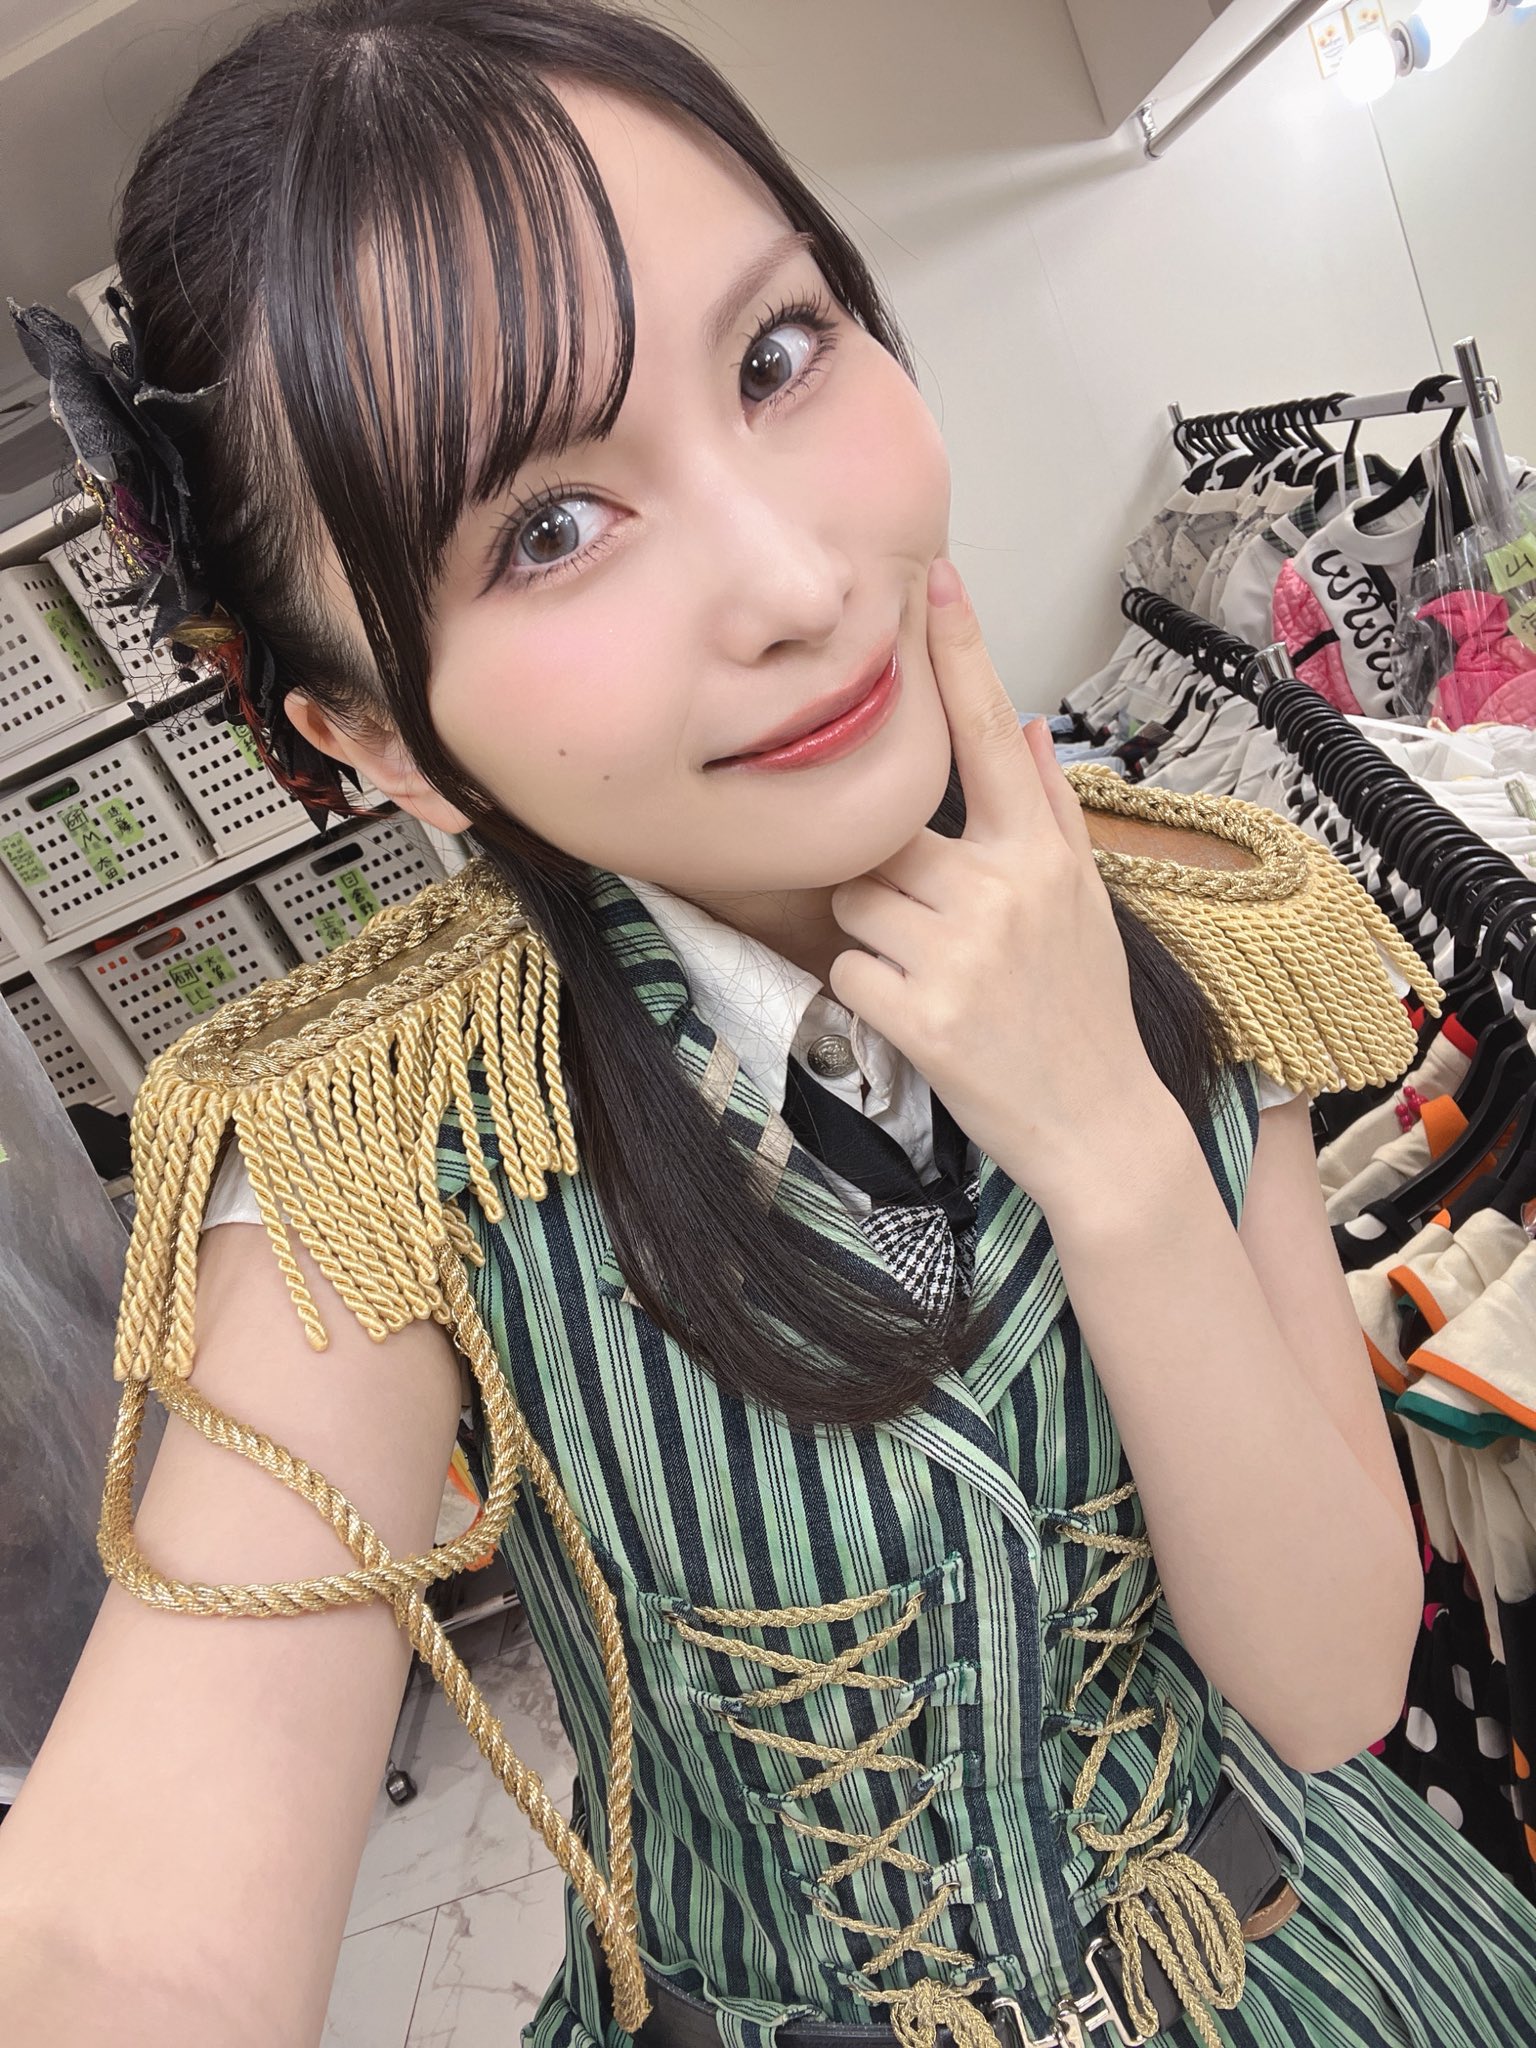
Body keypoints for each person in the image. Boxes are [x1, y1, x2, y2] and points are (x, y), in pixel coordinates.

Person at [2, 4, 1532, 2045]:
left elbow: (1335, 1683)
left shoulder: (1191, 916)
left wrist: (1106, 1135)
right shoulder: (375, 1151)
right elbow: (125, 1946)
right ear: (378, 737)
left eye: (776, 356)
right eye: (549, 528)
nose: (794, 578)